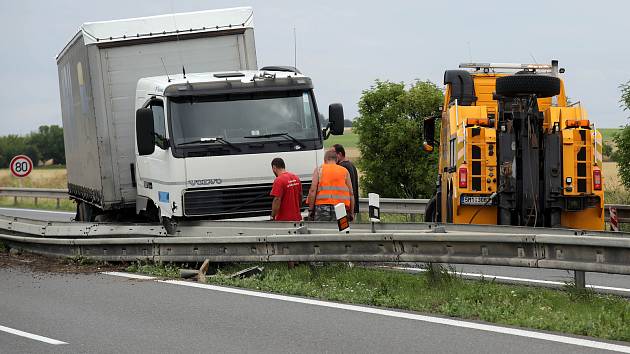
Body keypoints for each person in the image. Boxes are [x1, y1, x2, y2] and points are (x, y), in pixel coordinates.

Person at [307, 150, 354, 221]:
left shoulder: (319, 170)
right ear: (337, 159)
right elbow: (351, 193)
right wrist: (351, 212)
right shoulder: (344, 171)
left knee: (322, 230)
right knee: (341, 231)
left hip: (322, 208)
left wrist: (311, 210)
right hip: (341, 208)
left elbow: (313, 191)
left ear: (325, 159)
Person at [270, 157, 303, 222]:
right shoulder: (295, 177)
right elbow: (300, 196)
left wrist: (272, 216)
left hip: (284, 220)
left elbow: (277, 199)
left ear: (274, 168)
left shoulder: (279, 180)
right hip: (297, 218)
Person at [333, 144, 359, 215]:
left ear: (340, 154)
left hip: (345, 207)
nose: (331, 156)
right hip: (351, 206)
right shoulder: (351, 164)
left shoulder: (341, 167)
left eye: (333, 153)